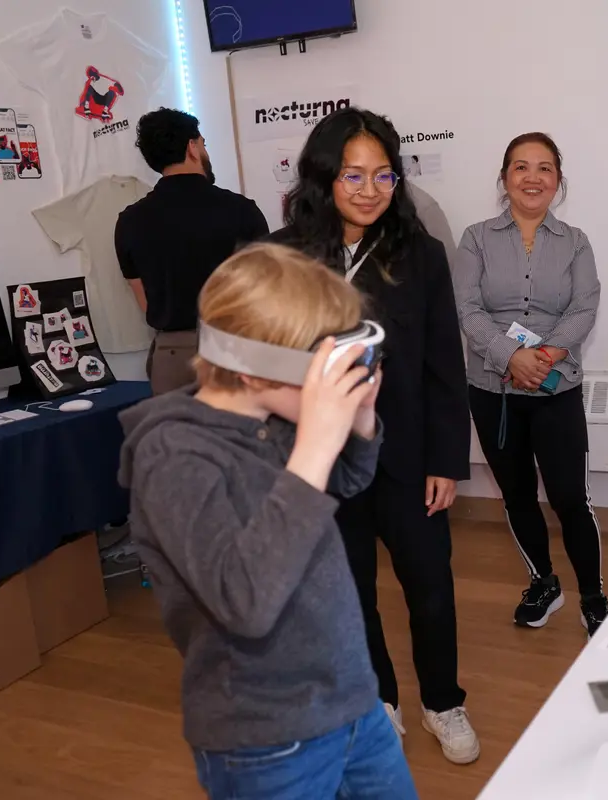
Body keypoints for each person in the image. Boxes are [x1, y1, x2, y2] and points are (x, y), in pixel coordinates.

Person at [118, 243, 419, 800]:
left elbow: (345, 483)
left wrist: (358, 421)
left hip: (354, 703)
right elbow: (245, 602)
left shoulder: (273, 417)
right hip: (267, 740)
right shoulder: (175, 459)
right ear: (255, 372)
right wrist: (313, 445)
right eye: (326, 367)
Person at [268, 108, 477, 764]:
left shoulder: (422, 255)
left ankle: (443, 702)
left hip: (410, 458)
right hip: (327, 459)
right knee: (350, 591)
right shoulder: (285, 256)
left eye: (382, 174)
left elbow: (447, 365)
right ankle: (380, 697)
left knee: (431, 590)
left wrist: (447, 458)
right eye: (352, 174)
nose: (368, 188)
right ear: (324, 177)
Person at [453, 132, 608, 637]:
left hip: (555, 388)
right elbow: (467, 308)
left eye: (544, 168)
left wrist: (541, 358)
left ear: (558, 180)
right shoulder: (476, 238)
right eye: (521, 167)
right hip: (492, 390)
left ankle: (593, 594)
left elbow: (584, 306)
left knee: (570, 497)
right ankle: (544, 582)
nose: (532, 177)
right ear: (504, 178)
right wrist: (509, 356)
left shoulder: (576, 241)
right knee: (517, 495)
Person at [116, 107, 270, 394]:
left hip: (172, 356)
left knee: (174, 438)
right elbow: (266, 290)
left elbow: (145, 301)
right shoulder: (241, 211)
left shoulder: (130, 221)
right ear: (192, 147)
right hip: (234, 350)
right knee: (238, 437)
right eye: (203, 143)